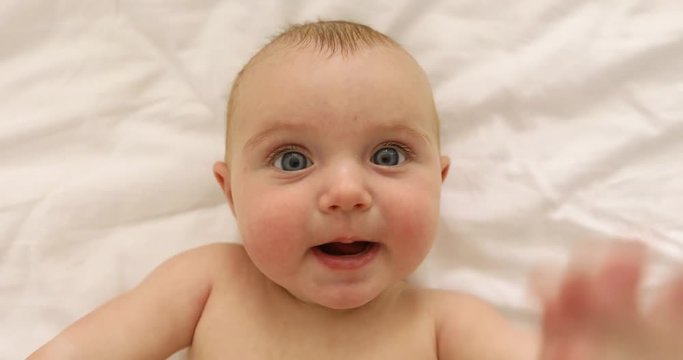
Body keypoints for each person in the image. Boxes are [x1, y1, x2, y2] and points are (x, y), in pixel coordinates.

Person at [30, 20, 683, 359]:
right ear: (230, 194)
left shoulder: (444, 322)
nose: (345, 191)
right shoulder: (208, 283)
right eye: (291, 159)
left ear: (440, 182)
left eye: (388, 154)